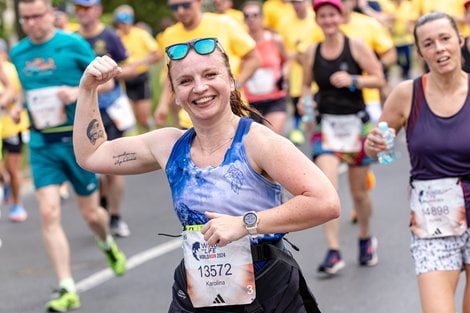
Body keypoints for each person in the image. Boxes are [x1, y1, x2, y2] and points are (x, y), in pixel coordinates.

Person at [74, 39, 340, 312]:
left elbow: (325, 202)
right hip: (198, 292)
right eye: (186, 81)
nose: (200, 88)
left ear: (231, 81)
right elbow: (92, 155)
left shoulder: (257, 142)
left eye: (210, 75)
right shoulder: (168, 146)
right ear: (175, 94)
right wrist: (88, 88)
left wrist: (246, 224)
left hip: (267, 289)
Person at [10, 1, 126, 311]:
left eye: (37, 16)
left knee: (91, 216)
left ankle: (106, 243)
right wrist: (19, 104)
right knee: (48, 213)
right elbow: (25, 88)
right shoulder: (18, 52)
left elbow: (110, 81)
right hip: (41, 144)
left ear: (51, 14)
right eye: (26, 18)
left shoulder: (72, 44)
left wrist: (77, 92)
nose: (32, 23)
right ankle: (66, 287)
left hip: (77, 144)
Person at [365, 12, 470, 313]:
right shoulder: (406, 95)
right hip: (433, 222)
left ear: (460, 40)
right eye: (429, 43)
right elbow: (379, 151)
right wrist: (374, 146)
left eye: (445, 38)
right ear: (420, 52)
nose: (439, 48)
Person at [301, 0, 385, 275]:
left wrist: (353, 80)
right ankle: (334, 251)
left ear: (341, 16)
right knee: (327, 189)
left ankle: (365, 237)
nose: (327, 20)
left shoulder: (356, 45)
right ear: (317, 19)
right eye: (322, 15)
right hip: (326, 127)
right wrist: (304, 103)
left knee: (359, 192)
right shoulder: (312, 51)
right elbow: (304, 87)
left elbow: (378, 78)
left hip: (355, 125)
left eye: (332, 15)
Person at [74, 0, 132, 237]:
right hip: (85, 109)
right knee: (91, 165)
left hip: (109, 110)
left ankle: (116, 217)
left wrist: (108, 79)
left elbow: (126, 67)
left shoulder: (109, 36)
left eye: (87, 8)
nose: (82, 13)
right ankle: (103, 208)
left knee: (113, 167)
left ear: (97, 10)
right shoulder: (73, 39)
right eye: (78, 8)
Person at [154, 0, 260, 129]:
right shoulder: (169, 34)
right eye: (174, 7)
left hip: (231, 112)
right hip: (191, 119)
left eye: (186, 5)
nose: (180, 11)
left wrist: (235, 84)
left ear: (199, 2)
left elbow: (253, 58)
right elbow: (170, 75)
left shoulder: (223, 23)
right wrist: (163, 104)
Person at [242, 1, 289, 135]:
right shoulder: (241, 42)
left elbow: (287, 60)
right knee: (252, 144)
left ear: (262, 17)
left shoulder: (275, 40)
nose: (251, 19)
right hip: (249, 103)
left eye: (255, 15)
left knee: (272, 137)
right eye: (247, 16)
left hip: (275, 99)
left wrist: (284, 73)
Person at [113, 4, 162, 131]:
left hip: (140, 78)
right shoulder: (115, 37)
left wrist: (141, 62)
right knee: (127, 121)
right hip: (123, 80)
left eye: (126, 22)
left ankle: (152, 137)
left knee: (143, 119)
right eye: (121, 23)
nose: (124, 26)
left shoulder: (140, 34)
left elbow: (157, 54)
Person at [0, 38, 29, 222]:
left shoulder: (9, 70)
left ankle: (17, 204)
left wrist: (5, 101)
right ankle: (7, 185)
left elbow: (17, 94)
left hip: (13, 126)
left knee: (13, 168)